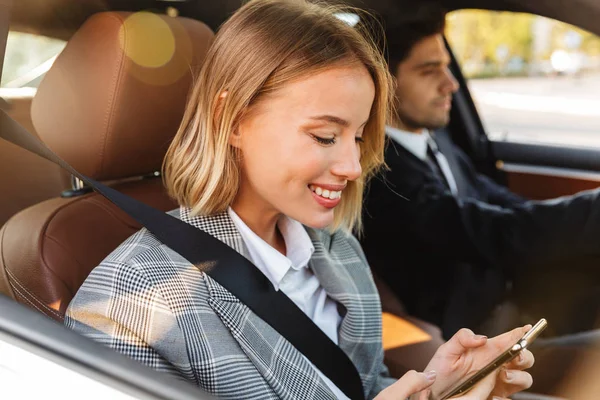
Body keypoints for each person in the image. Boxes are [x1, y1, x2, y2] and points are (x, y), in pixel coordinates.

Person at [64, 1, 534, 399]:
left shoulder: (332, 247)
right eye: (326, 136)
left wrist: (439, 386)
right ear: (232, 119)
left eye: (357, 136)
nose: (353, 166)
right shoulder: (127, 306)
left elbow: (354, 386)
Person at [361, 6, 600, 339]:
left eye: (447, 66)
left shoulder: (432, 140)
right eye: (430, 71)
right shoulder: (383, 176)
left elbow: (497, 200)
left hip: (501, 292)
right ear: (381, 81)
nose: (451, 84)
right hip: (468, 332)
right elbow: (491, 232)